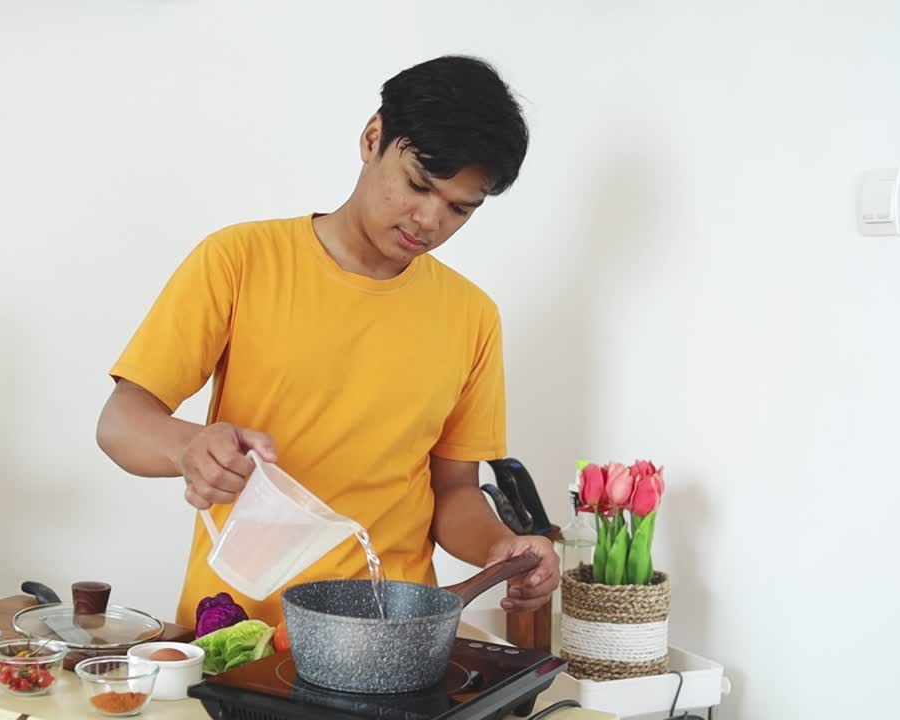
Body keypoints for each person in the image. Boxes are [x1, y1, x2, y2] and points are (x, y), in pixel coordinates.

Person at [96, 55, 560, 630]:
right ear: (373, 138)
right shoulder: (240, 261)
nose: (429, 219)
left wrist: (501, 544)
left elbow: (454, 495)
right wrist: (187, 447)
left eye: (460, 208)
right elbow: (120, 423)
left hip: (392, 641)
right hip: (238, 634)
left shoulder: (472, 316)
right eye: (419, 184)